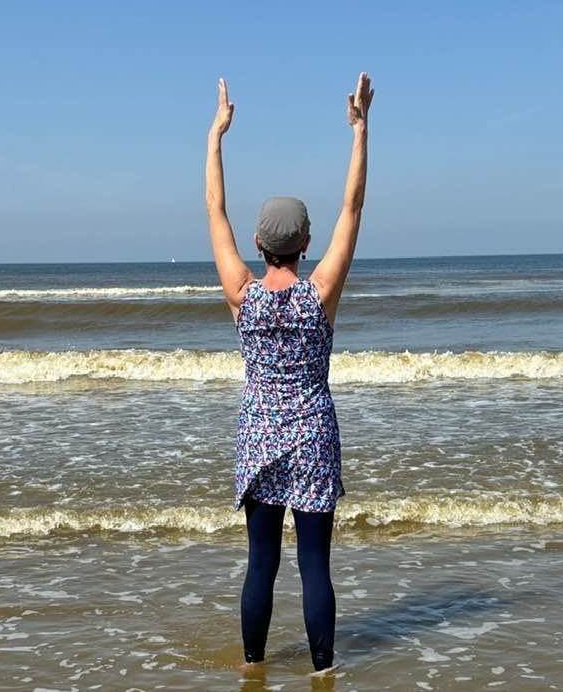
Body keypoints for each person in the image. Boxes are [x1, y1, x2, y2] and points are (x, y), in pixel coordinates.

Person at [205, 72, 373, 674]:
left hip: (259, 436)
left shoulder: (241, 294)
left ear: (258, 241)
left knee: (260, 565)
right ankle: (323, 672)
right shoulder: (321, 291)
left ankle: (254, 667)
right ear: (306, 242)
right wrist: (360, 130)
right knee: (315, 566)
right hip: (313, 434)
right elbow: (352, 207)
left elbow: (213, 208)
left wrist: (216, 134)